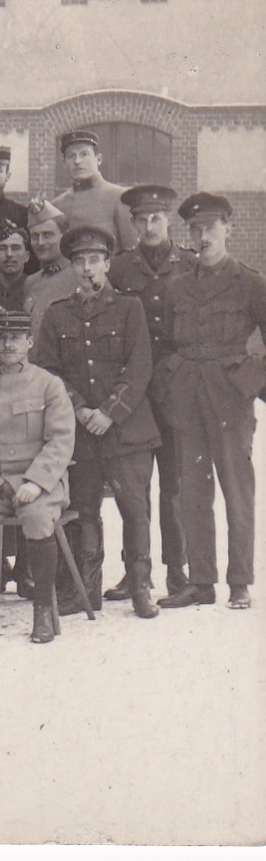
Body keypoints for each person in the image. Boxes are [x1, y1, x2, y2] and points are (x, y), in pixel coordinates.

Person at [34, 224, 161, 619]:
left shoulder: (129, 308)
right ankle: (85, 589)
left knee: (134, 507)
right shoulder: (57, 316)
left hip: (126, 429)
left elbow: (140, 366)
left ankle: (139, 585)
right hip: (81, 432)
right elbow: (49, 371)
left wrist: (109, 412)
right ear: (71, 266)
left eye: (94, 260)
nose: (87, 268)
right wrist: (81, 410)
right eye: (79, 261)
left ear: (107, 263)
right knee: (84, 509)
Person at [159, 192, 266, 611]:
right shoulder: (178, 287)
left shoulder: (251, 282)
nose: (202, 236)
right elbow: (168, 342)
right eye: (195, 230)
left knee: (237, 490)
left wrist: (249, 380)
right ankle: (201, 582)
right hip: (187, 398)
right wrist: (171, 379)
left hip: (229, 399)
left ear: (228, 230)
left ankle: (239, 580)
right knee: (192, 493)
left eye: (209, 228)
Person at [0, 310, 76, 643]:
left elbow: (61, 440)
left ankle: (42, 612)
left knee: (37, 519)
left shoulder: (49, 385)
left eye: (16, 338)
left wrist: (34, 483)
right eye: (1, 338)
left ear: (30, 342)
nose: (8, 344)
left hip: (38, 484)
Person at [107, 184, 195, 600]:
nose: (148, 226)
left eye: (156, 218)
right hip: (137, 397)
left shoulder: (190, 266)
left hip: (177, 394)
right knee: (134, 485)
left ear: (169, 220)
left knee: (175, 486)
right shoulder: (120, 270)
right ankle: (133, 571)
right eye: (141, 220)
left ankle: (178, 571)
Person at [52, 130, 137, 254]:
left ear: (99, 159)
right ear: (64, 163)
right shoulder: (57, 205)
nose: (77, 161)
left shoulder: (120, 197)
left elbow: (131, 251)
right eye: (71, 156)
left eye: (84, 154)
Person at [23, 199, 77, 325]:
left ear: (64, 237)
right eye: (35, 236)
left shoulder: (82, 275)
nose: (41, 243)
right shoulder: (31, 282)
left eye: (48, 235)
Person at [0, 220, 31, 313]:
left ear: (27, 256)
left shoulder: (35, 288)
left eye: (15, 248)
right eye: (2, 248)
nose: (9, 254)